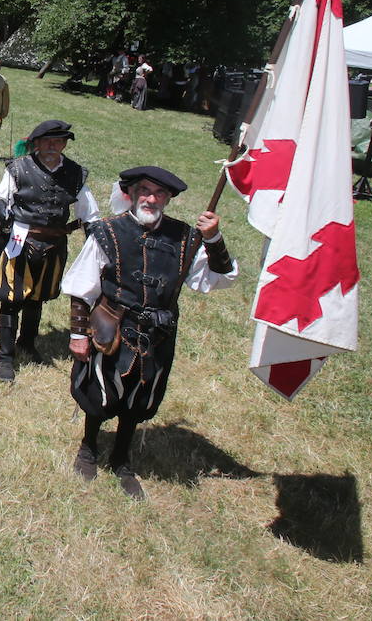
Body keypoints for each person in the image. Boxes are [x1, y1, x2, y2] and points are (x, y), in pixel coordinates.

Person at [62, 166, 237, 499]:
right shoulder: (108, 232)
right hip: (113, 327)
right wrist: (78, 334)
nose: (152, 198)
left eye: (160, 194)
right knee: (100, 391)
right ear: (131, 193)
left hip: (157, 334)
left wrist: (213, 238)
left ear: (168, 199)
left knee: (139, 398)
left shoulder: (184, 237)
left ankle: (121, 458)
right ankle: (88, 447)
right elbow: (81, 286)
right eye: (145, 191)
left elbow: (218, 279)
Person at [0, 120, 100, 381]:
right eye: (47, 141)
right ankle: (6, 358)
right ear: (36, 143)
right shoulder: (19, 168)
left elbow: (89, 213)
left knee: (37, 297)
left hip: (54, 244)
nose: (52, 146)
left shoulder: (75, 173)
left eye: (58, 142)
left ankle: (26, 342)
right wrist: (1, 211)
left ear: (64, 144)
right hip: (19, 240)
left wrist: (96, 239)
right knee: (11, 299)